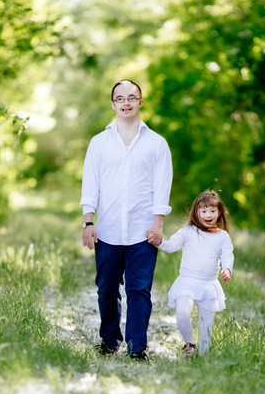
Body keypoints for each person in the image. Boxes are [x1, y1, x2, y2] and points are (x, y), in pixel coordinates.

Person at [80, 80, 173, 361]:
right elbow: (90, 183)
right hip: (107, 230)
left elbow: (162, 186)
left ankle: (137, 347)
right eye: (120, 98)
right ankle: (110, 341)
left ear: (141, 103)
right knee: (107, 289)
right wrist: (88, 222)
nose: (126, 103)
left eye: (132, 97)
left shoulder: (157, 143)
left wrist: (158, 226)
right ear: (113, 104)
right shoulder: (99, 143)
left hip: (143, 231)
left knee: (139, 290)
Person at [148, 190, 233, 358]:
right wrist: (159, 242)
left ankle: (204, 358)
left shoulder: (222, 236)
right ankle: (190, 344)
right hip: (187, 281)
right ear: (196, 212)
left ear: (219, 213)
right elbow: (172, 246)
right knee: (182, 313)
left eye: (212, 211)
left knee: (206, 325)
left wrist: (227, 268)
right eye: (203, 211)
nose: (208, 215)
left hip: (209, 284)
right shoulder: (188, 231)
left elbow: (228, 254)